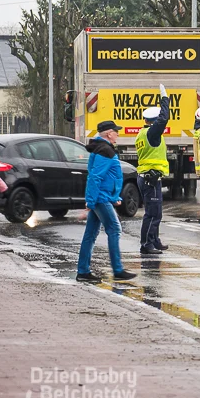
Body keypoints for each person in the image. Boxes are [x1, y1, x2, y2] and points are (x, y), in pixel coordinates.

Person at [76, 120, 136, 283]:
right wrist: (91, 202)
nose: (118, 134)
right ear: (109, 134)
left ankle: (83, 271)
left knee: (90, 234)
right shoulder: (105, 151)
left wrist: (113, 197)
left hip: (102, 197)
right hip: (100, 198)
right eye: (116, 131)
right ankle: (117, 270)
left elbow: (103, 176)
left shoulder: (102, 149)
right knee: (114, 229)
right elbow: (95, 177)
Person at [135, 85, 170, 255]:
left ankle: (154, 240)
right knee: (152, 213)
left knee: (156, 212)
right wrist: (165, 99)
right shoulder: (151, 134)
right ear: (154, 121)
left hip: (150, 177)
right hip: (150, 178)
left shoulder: (143, 133)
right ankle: (146, 244)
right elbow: (164, 119)